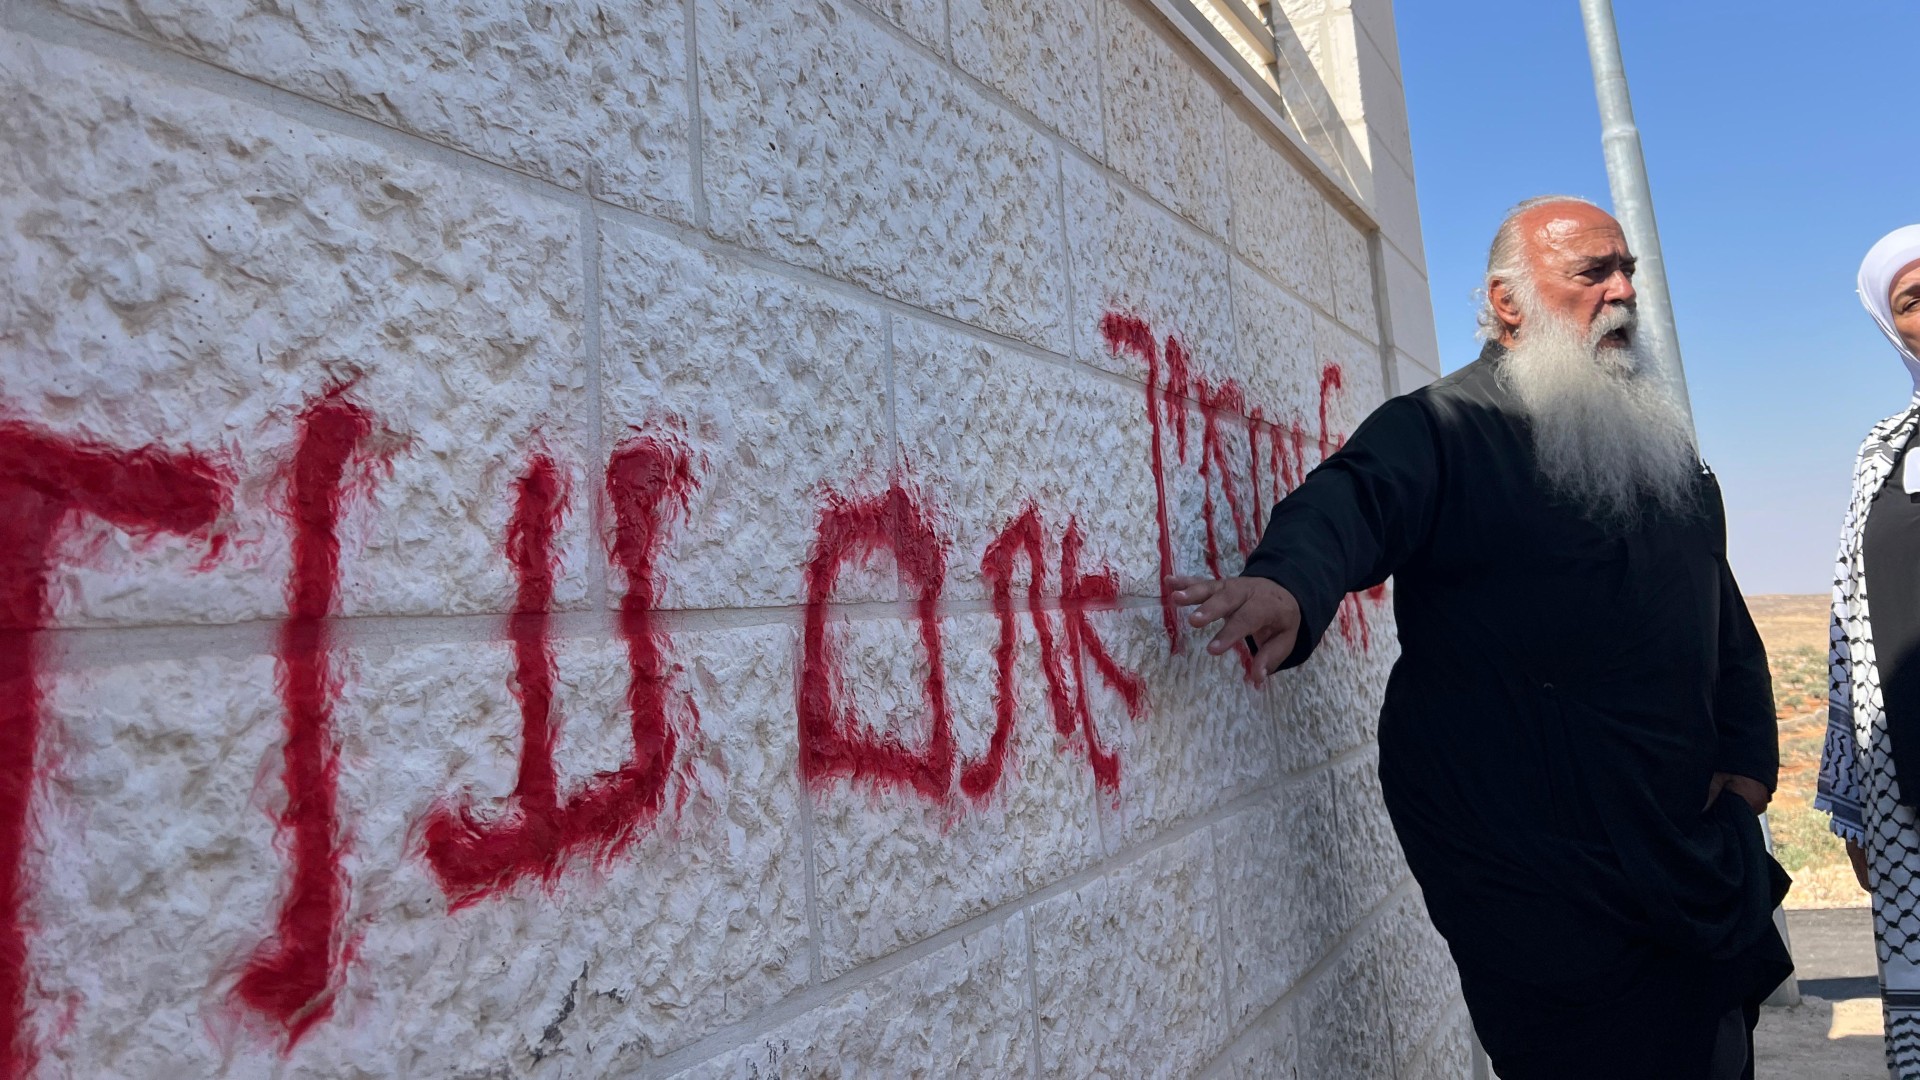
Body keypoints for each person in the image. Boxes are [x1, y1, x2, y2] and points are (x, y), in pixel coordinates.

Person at [1171, 196, 1790, 1079]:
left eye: (1628, 273)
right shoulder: (1443, 427)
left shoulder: (1661, 450)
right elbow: (1353, 499)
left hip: (1687, 855)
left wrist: (1746, 774)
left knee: (1718, 1055)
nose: (1621, 293)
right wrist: (1289, 583)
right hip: (1537, 878)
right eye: (1593, 274)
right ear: (1509, 302)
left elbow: (1721, 618)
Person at [1817, 224, 1920, 1079]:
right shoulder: (1881, 453)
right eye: (1913, 300)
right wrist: (1854, 796)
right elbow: (1849, 624)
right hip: (1907, 793)